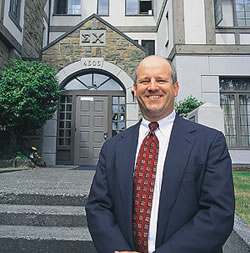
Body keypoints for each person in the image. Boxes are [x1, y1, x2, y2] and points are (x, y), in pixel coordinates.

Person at [86, 55, 235, 253]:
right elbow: (98, 207)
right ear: (135, 88)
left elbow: (218, 213)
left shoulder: (209, 143)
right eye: (144, 81)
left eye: (161, 80)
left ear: (175, 88)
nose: (152, 87)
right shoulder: (113, 148)